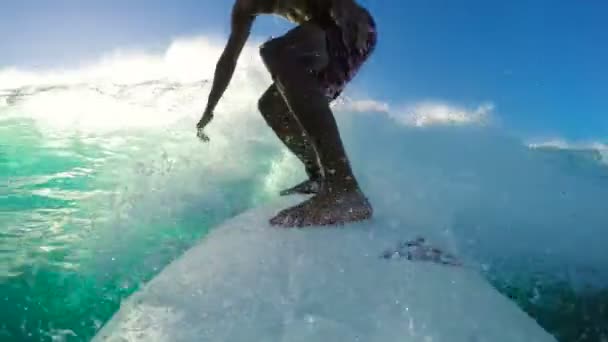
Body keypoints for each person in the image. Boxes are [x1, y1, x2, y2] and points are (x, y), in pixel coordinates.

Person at [197, 0, 377, 227]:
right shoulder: (244, 8)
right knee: (271, 106)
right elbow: (228, 59)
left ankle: (343, 187)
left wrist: (347, 10)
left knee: (277, 51)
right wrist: (210, 108)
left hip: (352, 28)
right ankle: (319, 176)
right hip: (325, 40)